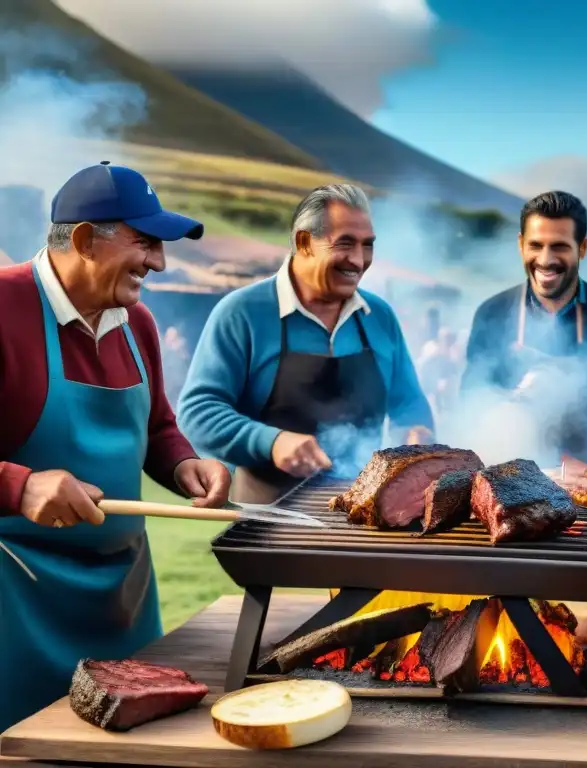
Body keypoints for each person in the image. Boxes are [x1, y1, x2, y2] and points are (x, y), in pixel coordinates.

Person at [0, 162, 231, 731]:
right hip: (19, 605)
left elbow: (156, 427)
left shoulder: (138, 322)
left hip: (123, 600)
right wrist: (19, 484)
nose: (159, 262)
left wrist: (184, 463)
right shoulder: (3, 310)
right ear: (83, 240)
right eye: (145, 242)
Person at [176, 184, 434, 501]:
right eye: (345, 244)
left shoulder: (379, 316)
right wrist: (271, 441)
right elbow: (197, 413)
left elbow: (409, 403)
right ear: (304, 242)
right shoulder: (243, 312)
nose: (358, 260)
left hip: (363, 513)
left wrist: (416, 432)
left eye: (367, 245)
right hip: (267, 516)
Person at [460, 191, 587, 470]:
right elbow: (473, 399)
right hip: (509, 479)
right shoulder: (492, 313)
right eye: (536, 245)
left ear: (582, 248)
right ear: (521, 245)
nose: (545, 259)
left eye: (559, 246)